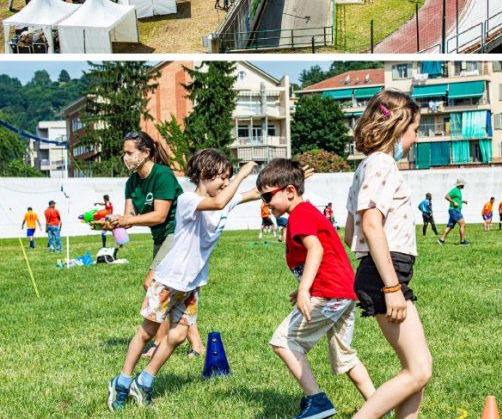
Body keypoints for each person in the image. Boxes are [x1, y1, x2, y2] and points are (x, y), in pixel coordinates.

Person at [107, 150, 257, 410]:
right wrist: (242, 174)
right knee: (147, 333)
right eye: (221, 177)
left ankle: (145, 380)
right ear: (202, 175)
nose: (225, 182)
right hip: (168, 281)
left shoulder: (222, 198)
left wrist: (287, 175)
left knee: (177, 336)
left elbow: (253, 194)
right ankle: (121, 381)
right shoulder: (188, 200)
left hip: (191, 284)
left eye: (227, 178)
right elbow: (220, 202)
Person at [259, 159, 375, 419]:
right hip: (342, 292)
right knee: (344, 357)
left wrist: (305, 291)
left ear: (289, 191)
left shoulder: (300, 214)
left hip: (330, 293)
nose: (266, 203)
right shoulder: (305, 212)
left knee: (284, 342)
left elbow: (316, 249)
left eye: (268, 196)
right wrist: (303, 287)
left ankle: (318, 402)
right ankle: (378, 406)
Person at [345, 90, 432, 419]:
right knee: (419, 370)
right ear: (398, 127)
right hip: (385, 275)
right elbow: (369, 225)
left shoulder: (365, 167)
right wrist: (392, 287)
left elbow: (349, 231)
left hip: (380, 271)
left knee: (415, 371)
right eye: (415, 129)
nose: (416, 137)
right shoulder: (382, 165)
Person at [110, 131, 203, 360]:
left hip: (179, 234)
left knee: (153, 284)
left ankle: (160, 342)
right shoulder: (131, 183)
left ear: (145, 153)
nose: (126, 158)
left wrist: (127, 220)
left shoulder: (162, 175)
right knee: (175, 290)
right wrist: (108, 222)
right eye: (124, 153)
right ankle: (197, 344)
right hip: (161, 238)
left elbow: (160, 215)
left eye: (130, 153)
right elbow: (129, 216)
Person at [437, 179, 470, 245]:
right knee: (462, 224)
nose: (464, 185)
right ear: (460, 184)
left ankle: (441, 240)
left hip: (454, 210)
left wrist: (462, 201)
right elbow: (446, 196)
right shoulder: (455, 190)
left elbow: (456, 200)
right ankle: (462, 242)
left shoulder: (458, 191)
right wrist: (453, 202)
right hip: (455, 210)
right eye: (463, 184)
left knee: (450, 226)